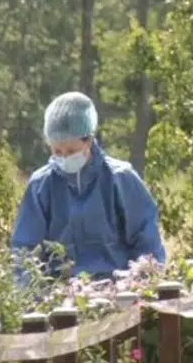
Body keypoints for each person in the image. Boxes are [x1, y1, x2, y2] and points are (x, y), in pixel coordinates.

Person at [12, 92, 167, 283]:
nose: (64, 157)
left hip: (119, 287)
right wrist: (31, 297)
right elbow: (24, 251)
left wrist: (142, 282)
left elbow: (147, 240)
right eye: (57, 151)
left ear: (89, 141)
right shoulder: (41, 186)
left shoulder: (120, 178)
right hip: (59, 293)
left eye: (71, 151)